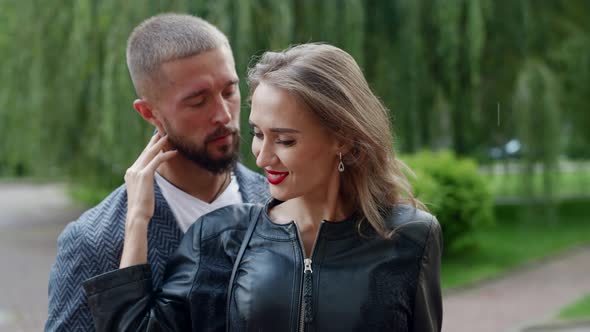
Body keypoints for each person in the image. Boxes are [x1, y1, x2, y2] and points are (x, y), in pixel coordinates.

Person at [83, 43, 443, 331]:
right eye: (257, 134)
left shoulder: (411, 235)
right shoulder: (220, 237)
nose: (262, 156)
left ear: (343, 140)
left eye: (284, 140)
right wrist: (138, 216)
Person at [45, 14, 269, 331]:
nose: (223, 115)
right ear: (150, 113)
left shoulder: (283, 201)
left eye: (229, 92)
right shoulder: (94, 242)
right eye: (198, 102)